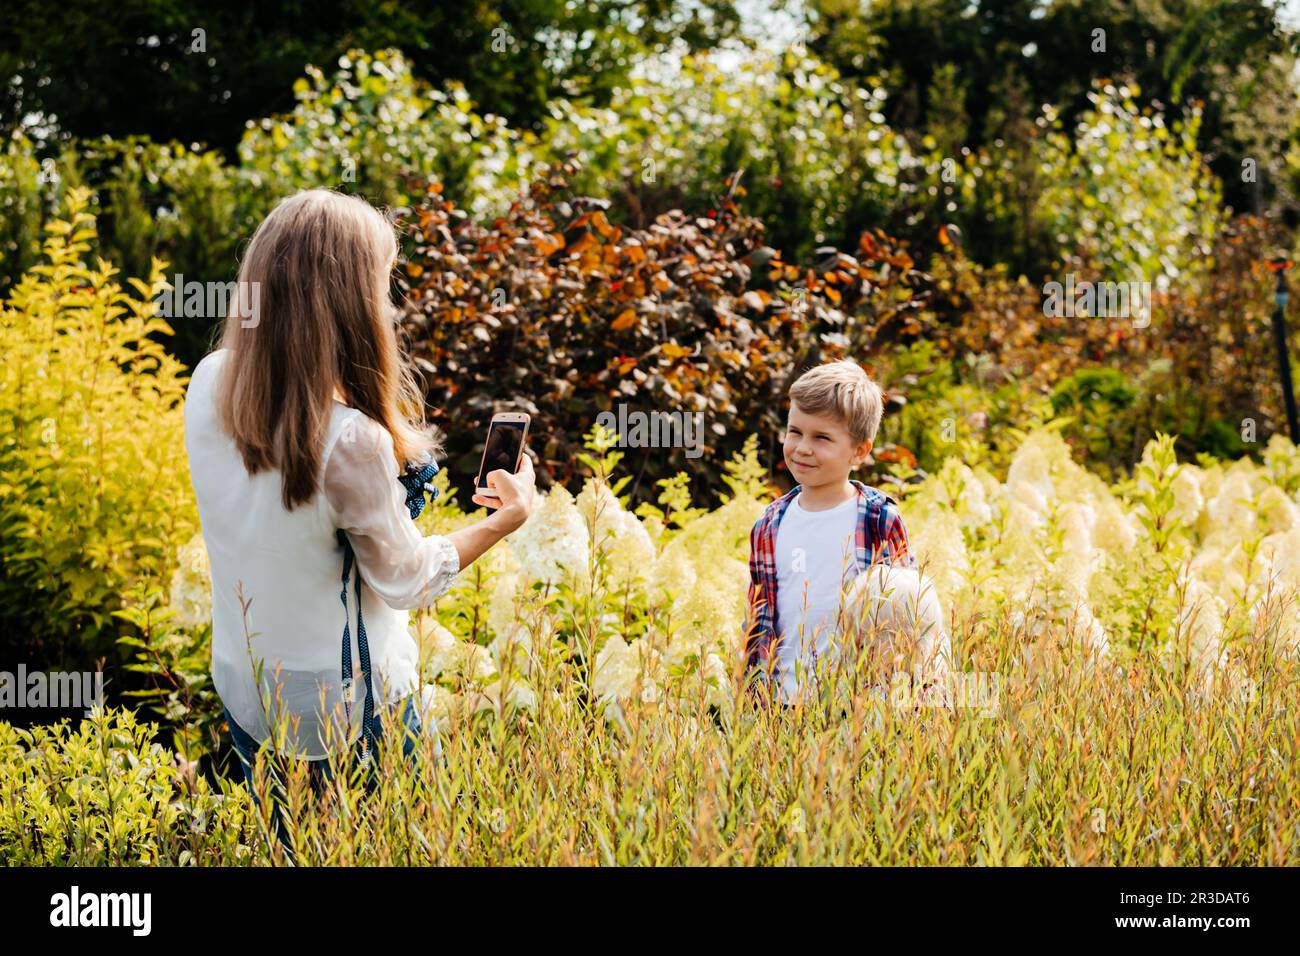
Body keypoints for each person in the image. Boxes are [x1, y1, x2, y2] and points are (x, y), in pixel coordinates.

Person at [182, 188, 538, 856]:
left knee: (287, 850)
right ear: (350, 300)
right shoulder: (350, 441)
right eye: (381, 283)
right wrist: (503, 522)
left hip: (250, 689)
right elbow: (406, 583)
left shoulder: (209, 383)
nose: (389, 303)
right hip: (346, 713)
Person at [742, 359, 952, 709]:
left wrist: (917, 698)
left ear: (859, 451)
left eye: (821, 437)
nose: (803, 447)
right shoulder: (769, 525)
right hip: (785, 704)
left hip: (861, 706)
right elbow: (758, 618)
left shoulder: (878, 517)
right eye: (795, 432)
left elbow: (906, 613)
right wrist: (752, 696)